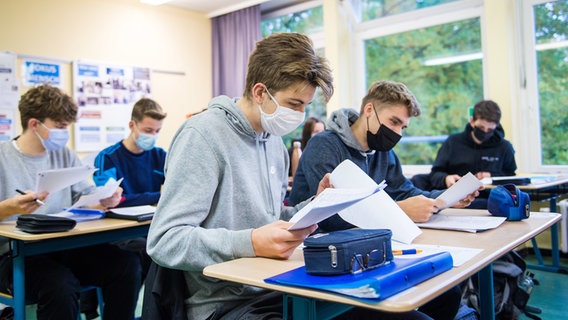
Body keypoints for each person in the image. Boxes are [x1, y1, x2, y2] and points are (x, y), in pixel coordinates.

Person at [147, 33, 433, 320]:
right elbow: (165, 240)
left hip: (280, 285)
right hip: (227, 303)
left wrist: (316, 205)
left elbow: (271, 217)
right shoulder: (203, 136)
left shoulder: (273, 142)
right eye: (294, 103)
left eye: (305, 105)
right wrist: (251, 242)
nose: (301, 113)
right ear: (260, 92)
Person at [288, 80, 479, 320]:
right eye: (394, 122)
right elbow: (332, 217)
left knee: (448, 294)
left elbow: (404, 191)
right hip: (324, 257)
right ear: (369, 110)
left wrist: (444, 199)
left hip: (370, 252)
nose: (398, 133)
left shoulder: (383, 152)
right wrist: (399, 211)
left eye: (404, 127)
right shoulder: (324, 146)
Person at [0, 84, 141, 319]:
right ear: (34, 124)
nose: (64, 133)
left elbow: (85, 198)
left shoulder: (63, 154)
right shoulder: (3, 158)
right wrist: (9, 207)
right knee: (59, 284)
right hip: (12, 257)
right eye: (60, 127)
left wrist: (105, 199)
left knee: (126, 265)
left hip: (61, 247)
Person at [428, 99, 516, 208]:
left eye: (490, 129)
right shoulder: (453, 142)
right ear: (472, 121)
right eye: (481, 128)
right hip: (455, 202)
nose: (485, 132)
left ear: (496, 126)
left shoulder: (505, 147)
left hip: (490, 203)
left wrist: (492, 175)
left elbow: (511, 177)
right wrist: (446, 178)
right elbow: (435, 174)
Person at [93, 97, 167, 207]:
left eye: (157, 131)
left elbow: (176, 192)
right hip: (120, 223)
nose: (153, 135)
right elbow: (112, 199)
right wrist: (159, 196)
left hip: (151, 219)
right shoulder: (107, 157)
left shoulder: (161, 156)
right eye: (148, 130)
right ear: (132, 125)